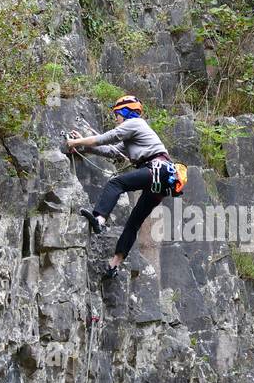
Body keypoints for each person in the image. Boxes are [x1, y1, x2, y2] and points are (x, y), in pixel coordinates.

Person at [67, 95, 174, 278]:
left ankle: (99, 219)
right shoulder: (132, 136)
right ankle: (113, 265)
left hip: (157, 169)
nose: (115, 118)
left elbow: (104, 139)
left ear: (125, 112)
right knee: (133, 222)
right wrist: (84, 145)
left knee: (116, 183)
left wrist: (77, 142)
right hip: (162, 179)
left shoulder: (135, 124)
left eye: (117, 114)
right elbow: (112, 152)